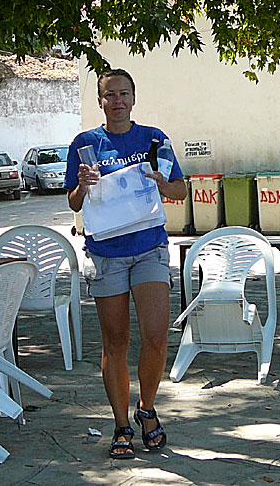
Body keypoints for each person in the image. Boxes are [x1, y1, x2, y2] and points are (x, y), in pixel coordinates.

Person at [64, 68, 187, 459]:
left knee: (155, 336)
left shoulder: (154, 138)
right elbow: (73, 202)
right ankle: (120, 425)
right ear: (100, 101)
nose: (117, 101)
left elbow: (180, 191)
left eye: (124, 94)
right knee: (115, 343)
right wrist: (82, 186)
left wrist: (160, 182)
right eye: (109, 95)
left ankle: (147, 409)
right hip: (106, 254)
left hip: (149, 246)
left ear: (134, 98)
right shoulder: (85, 144)